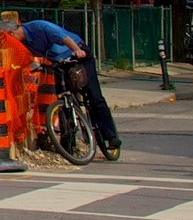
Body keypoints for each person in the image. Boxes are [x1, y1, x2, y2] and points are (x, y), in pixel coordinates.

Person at [18, 16, 120, 160]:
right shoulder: (24, 43)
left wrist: (77, 50)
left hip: (77, 54)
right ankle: (68, 144)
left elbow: (64, 37)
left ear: (15, 30)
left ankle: (110, 136)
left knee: (94, 96)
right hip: (59, 62)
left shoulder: (39, 26)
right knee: (63, 100)